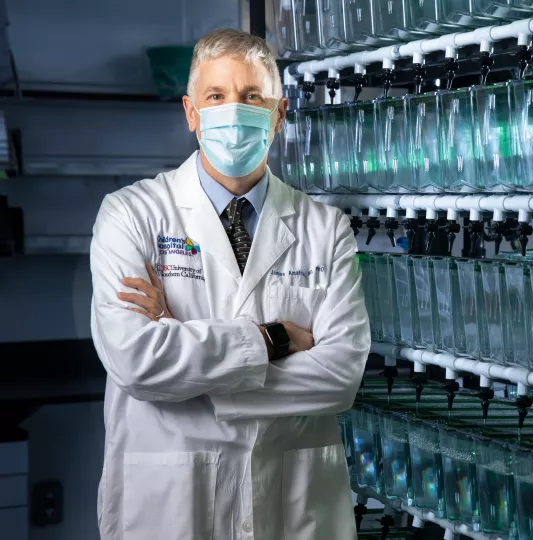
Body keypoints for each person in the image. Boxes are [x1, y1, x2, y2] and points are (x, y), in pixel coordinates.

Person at [89, 29, 370, 540]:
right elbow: (136, 361)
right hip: (172, 506)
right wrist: (274, 339)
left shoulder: (325, 229)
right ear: (191, 112)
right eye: (216, 97)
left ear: (279, 114)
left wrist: (189, 366)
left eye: (252, 97)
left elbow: (341, 375)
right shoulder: (131, 214)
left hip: (296, 505)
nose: (233, 111)